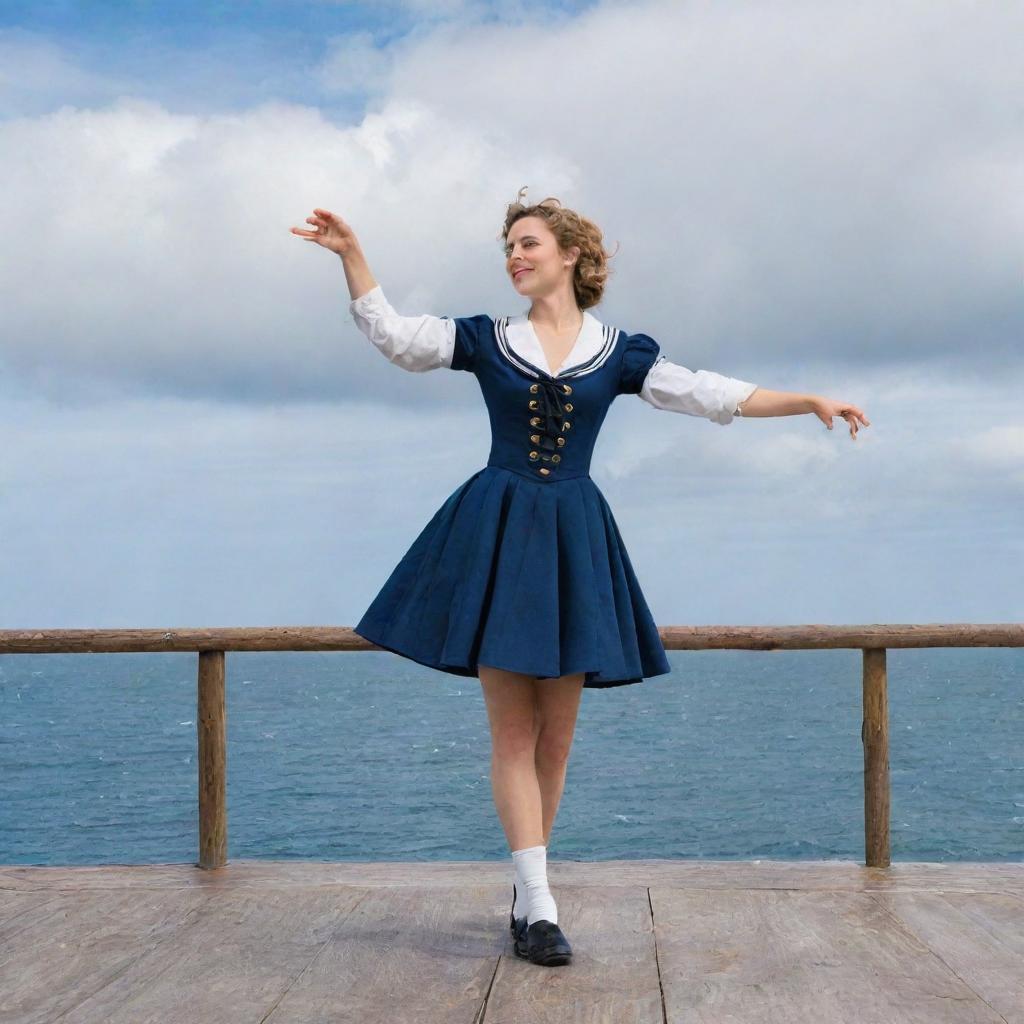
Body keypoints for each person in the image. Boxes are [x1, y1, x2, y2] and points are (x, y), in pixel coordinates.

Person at [290, 190, 870, 967]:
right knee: (514, 731)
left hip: (572, 538)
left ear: (569, 256)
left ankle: (530, 895)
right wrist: (353, 256)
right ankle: (539, 906)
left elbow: (706, 393)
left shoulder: (619, 351)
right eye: (508, 248)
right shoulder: (485, 338)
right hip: (495, 531)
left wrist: (807, 402)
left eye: (528, 244)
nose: (515, 257)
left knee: (556, 740)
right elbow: (397, 339)